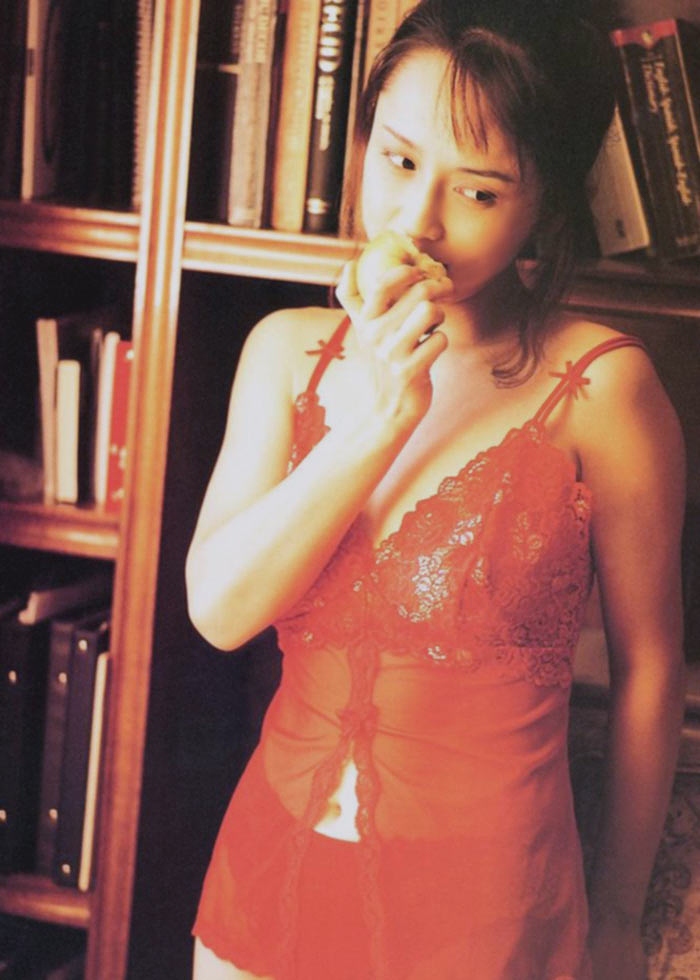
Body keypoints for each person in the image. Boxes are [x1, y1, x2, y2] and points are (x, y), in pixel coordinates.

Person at [186, 1, 687, 977]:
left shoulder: (604, 389)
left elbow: (650, 672)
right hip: (265, 879)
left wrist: (620, 919)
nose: (416, 220)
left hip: (486, 908)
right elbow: (219, 611)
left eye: (479, 190)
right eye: (400, 160)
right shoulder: (285, 351)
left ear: (546, 202)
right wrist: (380, 418)